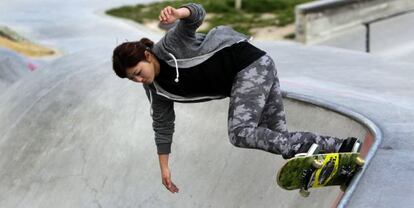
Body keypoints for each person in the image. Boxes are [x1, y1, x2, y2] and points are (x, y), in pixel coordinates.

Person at [112, 3, 361, 194]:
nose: (138, 80)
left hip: (248, 65)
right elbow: (163, 124)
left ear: (147, 56)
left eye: (137, 73)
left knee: (240, 132)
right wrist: (164, 167)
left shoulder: (169, 46)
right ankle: (341, 147)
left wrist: (179, 13)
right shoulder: (156, 89)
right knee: (275, 137)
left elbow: (197, 14)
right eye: (132, 79)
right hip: (258, 67)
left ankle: (309, 151)